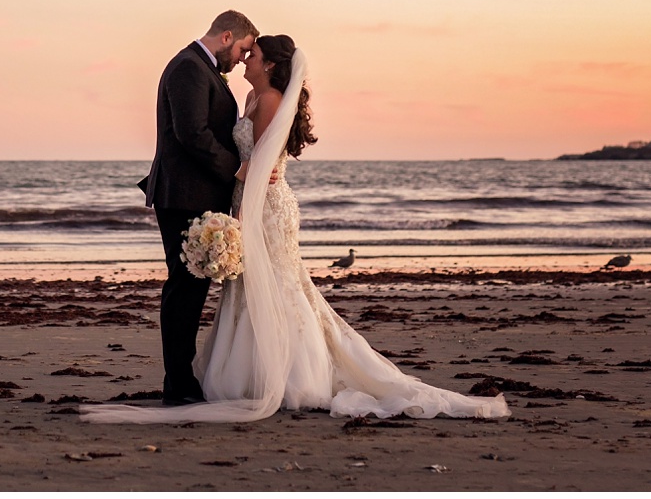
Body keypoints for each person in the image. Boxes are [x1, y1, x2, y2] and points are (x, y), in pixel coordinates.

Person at [87, 34, 509, 423]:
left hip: (267, 206)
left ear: (269, 65)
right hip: (244, 200)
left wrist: (241, 185)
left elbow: (264, 163)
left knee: (280, 284)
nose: (245, 60)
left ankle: (293, 375)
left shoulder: (269, 99)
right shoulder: (251, 95)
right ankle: (232, 373)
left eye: (252, 55)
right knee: (249, 287)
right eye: (246, 52)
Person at [135, 10, 257, 406]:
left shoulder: (198, 67)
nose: (241, 59)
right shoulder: (189, 67)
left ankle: (182, 380)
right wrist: (237, 169)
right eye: (241, 50)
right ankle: (178, 384)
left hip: (194, 195)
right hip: (184, 195)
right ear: (226, 37)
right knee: (184, 289)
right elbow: (192, 134)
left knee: (190, 288)